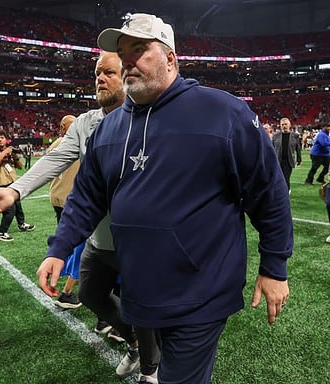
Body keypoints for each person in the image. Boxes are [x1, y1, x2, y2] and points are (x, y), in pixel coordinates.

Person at [37, 13, 293, 384]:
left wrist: (274, 267)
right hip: (141, 287)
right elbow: (87, 196)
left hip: (201, 292)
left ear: (171, 58)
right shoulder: (109, 127)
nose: (128, 61)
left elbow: (268, 192)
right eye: (124, 53)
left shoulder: (223, 113)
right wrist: (59, 248)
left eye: (139, 50)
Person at [0, 52, 160, 383]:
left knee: (140, 304)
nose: (100, 79)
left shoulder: (146, 117)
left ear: (127, 76)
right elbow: (56, 159)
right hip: (98, 237)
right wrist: (16, 190)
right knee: (90, 294)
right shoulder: (85, 123)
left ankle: (151, 370)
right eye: (96, 74)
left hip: (136, 239)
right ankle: (134, 343)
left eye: (108, 72)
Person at [48, 114, 82, 309]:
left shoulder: (56, 143)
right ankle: (67, 290)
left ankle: (61, 259)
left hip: (59, 197)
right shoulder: (75, 143)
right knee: (80, 244)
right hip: (72, 199)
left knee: (68, 236)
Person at [0, 130, 35, 242]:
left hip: (12, 182)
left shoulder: (10, 150)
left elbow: (20, 167)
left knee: (18, 206)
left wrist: (15, 156)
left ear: (6, 139)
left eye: (2, 137)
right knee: (9, 210)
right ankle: (1, 232)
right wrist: (6, 151)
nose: (0, 140)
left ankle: (21, 224)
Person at [272, 117, 301, 192]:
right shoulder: (275, 136)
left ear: (289, 125)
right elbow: (272, 148)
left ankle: (287, 191)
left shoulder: (295, 136)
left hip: (289, 161)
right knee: (278, 177)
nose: (284, 126)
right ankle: (281, 191)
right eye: (282, 124)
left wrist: (299, 159)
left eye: (286, 124)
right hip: (278, 160)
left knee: (286, 177)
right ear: (280, 126)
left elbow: (298, 148)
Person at [304, 119, 330, 185]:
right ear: (325, 127)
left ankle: (320, 178)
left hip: (324, 155)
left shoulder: (326, 135)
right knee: (314, 168)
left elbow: (327, 145)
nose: (329, 128)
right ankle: (308, 181)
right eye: (328, 127)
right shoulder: (321, 134)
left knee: (328, 167)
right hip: (317, 154)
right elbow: (323, 143)